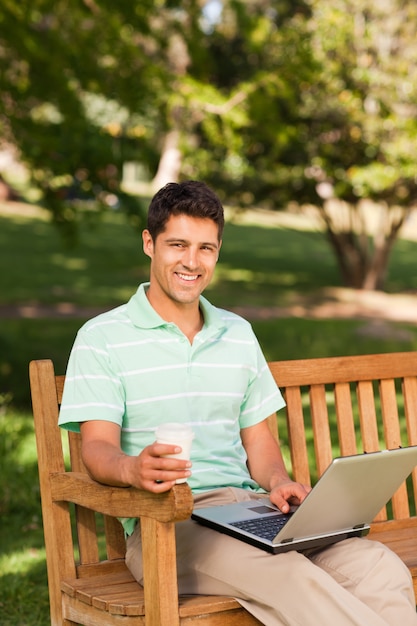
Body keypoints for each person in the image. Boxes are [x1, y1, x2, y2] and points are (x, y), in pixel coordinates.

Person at [59, 180, 417, 626]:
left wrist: (279, 482)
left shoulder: (237, 333)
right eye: (178, 245)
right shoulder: (102, 339)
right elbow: (96, 449)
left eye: (206, 248)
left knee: (376, 565)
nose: (192, 261)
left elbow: (259, 441)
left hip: (252, 512)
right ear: (149, 244)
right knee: (287, 575)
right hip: (171, 526)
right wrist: (134, 469)